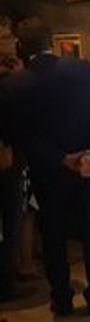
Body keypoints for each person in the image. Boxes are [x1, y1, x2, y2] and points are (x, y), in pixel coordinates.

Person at [1, 17, 90, 317]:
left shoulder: (14, 85)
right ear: (51, 40)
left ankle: (62, 299)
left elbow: (20, 136)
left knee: (53, 235)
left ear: (21, 45)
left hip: (50, 171)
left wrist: (60, 159)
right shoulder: (80, 68)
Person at [0, 16, 26, 301]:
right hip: (3, 154)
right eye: (5, 38)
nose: (11, 42)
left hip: (13, 155)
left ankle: (7, 279)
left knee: (12, 218)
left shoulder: (14, 73)